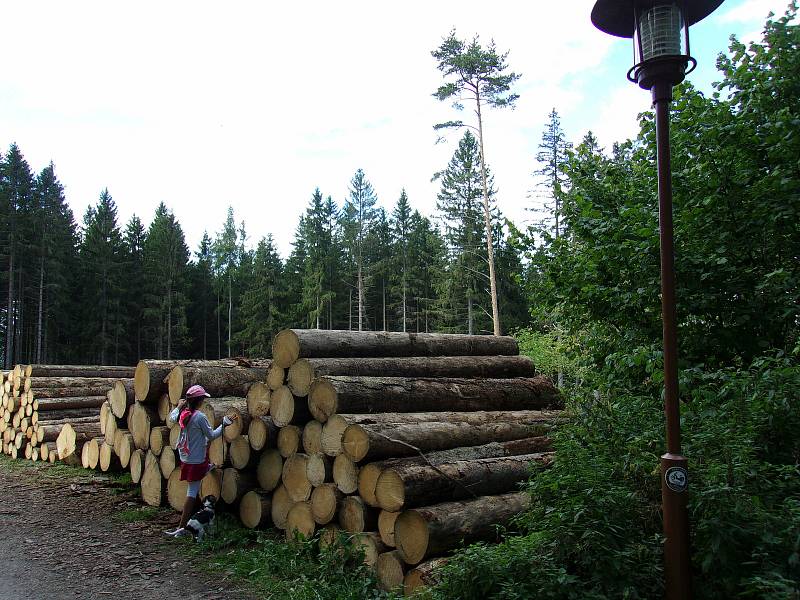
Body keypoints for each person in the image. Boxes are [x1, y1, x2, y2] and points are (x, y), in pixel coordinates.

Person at [164, 384, 236, 537]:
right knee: (192, 493)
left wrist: (179, 406)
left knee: (203, 467)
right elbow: (212, 435)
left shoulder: (182, 414)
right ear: (200, 401)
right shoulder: (199, 417)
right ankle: (182, 528)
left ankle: (208, 467)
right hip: (197, 460)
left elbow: (171, 417)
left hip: (186, 458)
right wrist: (224, 424)